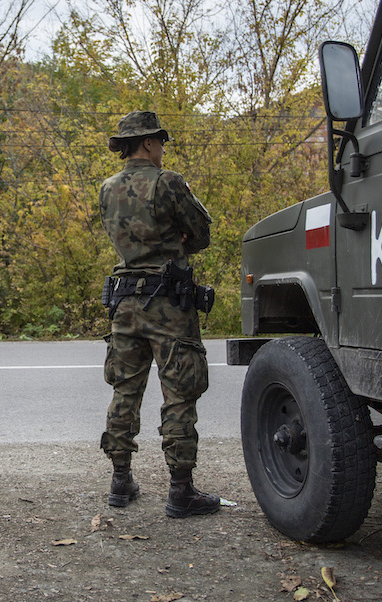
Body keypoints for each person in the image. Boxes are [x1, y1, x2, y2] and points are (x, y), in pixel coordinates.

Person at [98, 110, 220, 518]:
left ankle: (120, 481)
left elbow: (122, 237)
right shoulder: (167, 182)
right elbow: (200, 234)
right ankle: (180, 491)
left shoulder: (107, 189)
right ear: (148, 142)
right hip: (168, 303)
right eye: (160, 142)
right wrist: (178, 237)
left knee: (125, 390)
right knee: (180, 393)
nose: (163, 149)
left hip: (124, 302)